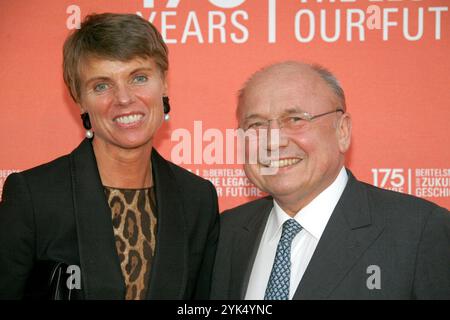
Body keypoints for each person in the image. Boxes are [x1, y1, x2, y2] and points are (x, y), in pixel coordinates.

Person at [0, 13, 219, 300]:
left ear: (163, 83)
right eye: (102, 85)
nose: (124, 98)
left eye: (139, 77)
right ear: (79, 98)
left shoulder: (197, 199)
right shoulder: (34, 197)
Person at [210, 61, 450, 300]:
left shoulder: (419, 232)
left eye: (295, 120)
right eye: (256, 125)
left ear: (342, 131)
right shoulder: (224, 233)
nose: (273, 142)